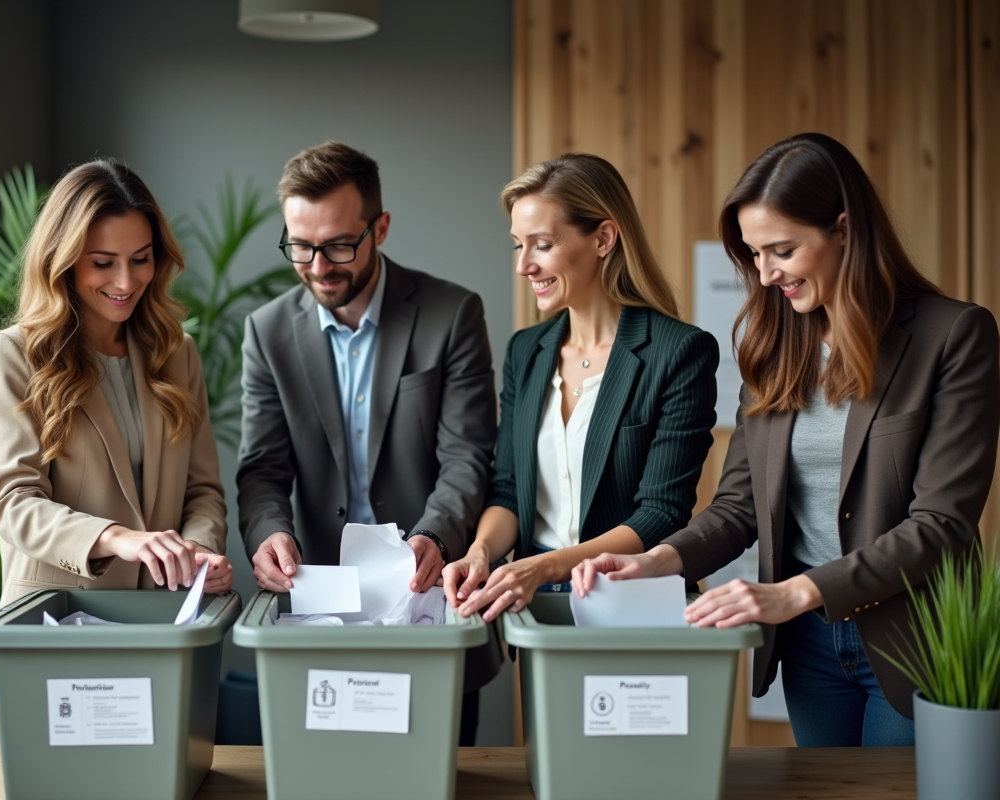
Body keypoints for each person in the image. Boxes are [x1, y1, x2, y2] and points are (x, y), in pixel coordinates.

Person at [573, 132, 1000, 747]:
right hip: (807, 643)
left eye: (783, 250)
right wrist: (656, 563)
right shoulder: (774, 347)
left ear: (845, 231)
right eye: (754, 255)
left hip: (911, 641)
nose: (767, 275)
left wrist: (791, 592)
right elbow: (738, 506)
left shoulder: (953, 335)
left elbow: (941, 524)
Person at [236, 140, 501, 744]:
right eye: (299, 247)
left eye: (338, 245)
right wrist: (268, 532)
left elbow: (468, 453)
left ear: (380, 227)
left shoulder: (451, 313)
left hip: (428, 599)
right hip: (319, 611)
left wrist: (435, 534)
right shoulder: (269, 331)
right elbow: (263, 470)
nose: (319, 266)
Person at [0, 160, 232, 713]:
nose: (125, 281)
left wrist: (198, 552)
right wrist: (119, 538)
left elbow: (203, 491)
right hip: (55, 631)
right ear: (62, 262)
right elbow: (14, 504)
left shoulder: (176, 352)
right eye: (102, 263)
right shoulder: (15, 357)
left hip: (162, 631)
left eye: (141, 260)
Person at [442, 153, 719, 622]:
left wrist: (546, 566)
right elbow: (509, 489)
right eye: (517, 246)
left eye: (542, 245)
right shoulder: (525, 352)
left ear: (603, 238)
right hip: (535, 603)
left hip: (632, 601)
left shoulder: (679, 352)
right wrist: (480, 552)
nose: (523, 266)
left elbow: (661, 513)